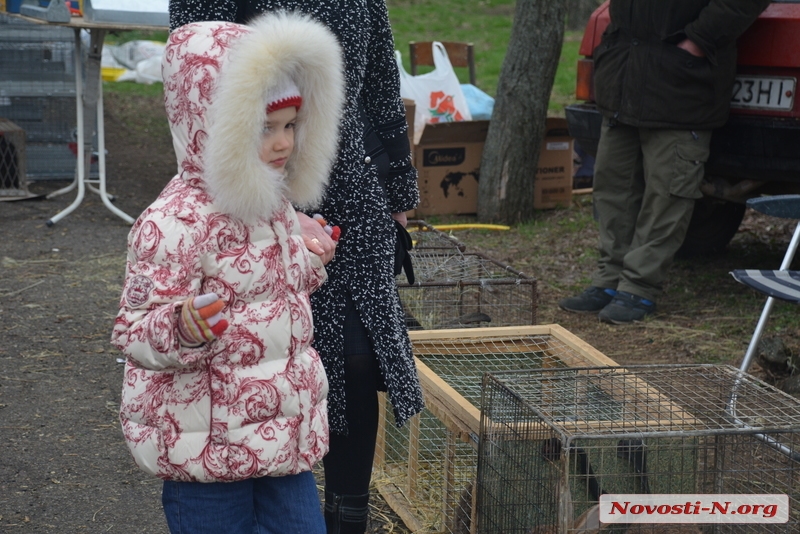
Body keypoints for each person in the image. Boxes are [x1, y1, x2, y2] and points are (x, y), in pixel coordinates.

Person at [169, 2, 424, 532]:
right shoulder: (178, 224)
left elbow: (379, 77)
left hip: (348, 180)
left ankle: (344, 515)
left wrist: (397, 189)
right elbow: (196, 76)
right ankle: (257, 503)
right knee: (259, 361)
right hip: (247, 182)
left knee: (353, 360)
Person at [110, 12, 345, 533]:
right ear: (212, 125)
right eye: (265, 128)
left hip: (279, 437)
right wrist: (181, 326)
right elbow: (134, 327)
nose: (284, 143)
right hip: (207, 448)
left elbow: (267, 290)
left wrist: (308, 260)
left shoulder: (274, 204)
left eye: (290, 126)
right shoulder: (173, 224)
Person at [559, 0, 770, 325]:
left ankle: (639, 287)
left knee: (667, 192)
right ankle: (610, 280)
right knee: (613, 185)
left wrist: (699, 39)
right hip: (624, 74)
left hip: (682, 83)